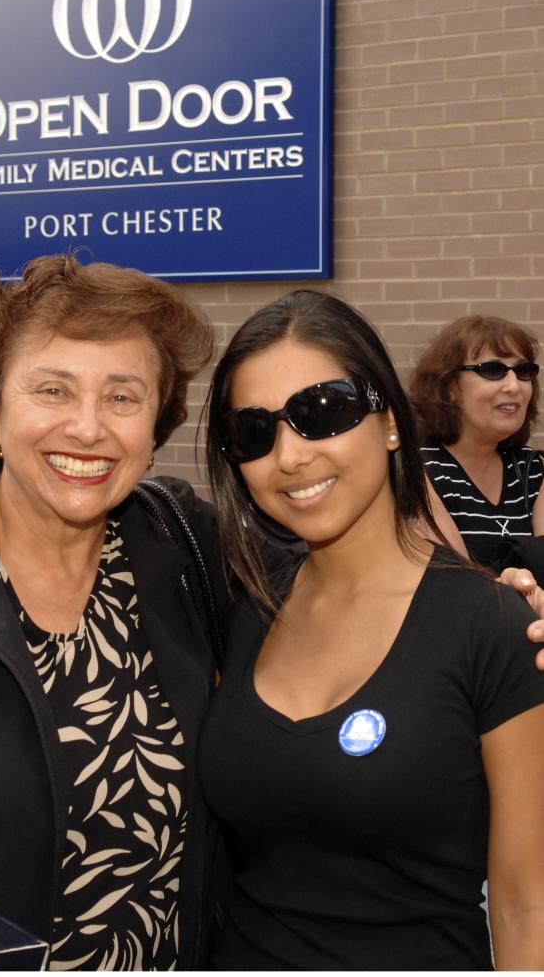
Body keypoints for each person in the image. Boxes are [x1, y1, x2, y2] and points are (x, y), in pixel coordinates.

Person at [0, 254, 227, 971]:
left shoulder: (184, 552)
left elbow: (341, 585)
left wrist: (502, 607)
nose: (88, 426)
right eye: (53, 389)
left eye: (123, 397)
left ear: (154, 425)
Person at [200, 290, 544, 970]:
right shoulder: (242, 607)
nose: (291, 455)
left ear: (389, 419)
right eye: (255, 431)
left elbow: (523, 898)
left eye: (322, 412)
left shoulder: (493, 624)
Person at [409, 315, 544, 574]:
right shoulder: (416, 470)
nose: (514, 386)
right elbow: (457, 584)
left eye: (523, 371)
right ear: (450, 387)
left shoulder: (533, 470)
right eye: (493, 370)